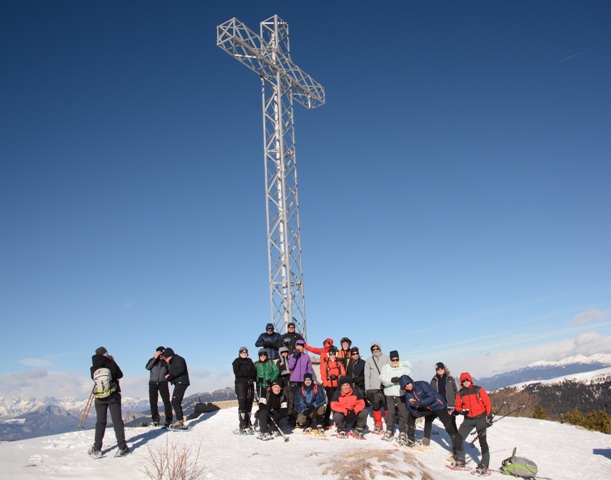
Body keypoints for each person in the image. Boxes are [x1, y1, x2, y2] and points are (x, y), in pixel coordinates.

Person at [400, 375, 464, 457]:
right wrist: (413, 412)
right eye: (404, 386)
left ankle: (457, 446)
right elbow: (409, 405)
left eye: (408, 383)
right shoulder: (408, 393)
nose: (407, 386)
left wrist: (420, 402)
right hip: (428, 408)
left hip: (439, 405)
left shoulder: (422, 384)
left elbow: (432, 397)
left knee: (447, 424)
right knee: (412, 416)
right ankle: (411, 440)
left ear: (411, 381)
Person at [89, 347, 129, 458]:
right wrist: (113, 362)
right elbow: (120, 375)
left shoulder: (93, 368)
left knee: (100, 422)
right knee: (117, 421)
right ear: (106, 354)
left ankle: (97, 448)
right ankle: (122, 447)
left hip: (100, 397)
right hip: (113, 396)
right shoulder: (110, 364)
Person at [453, 372, 493, 476]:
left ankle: (484, 464)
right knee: (458, 438)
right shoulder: (460, 393)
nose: (466, 382)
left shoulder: (478, 389)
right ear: (461, 382)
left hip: (480, 418)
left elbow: (487, 403)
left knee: (482, 441)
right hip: (468, 419)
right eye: (463, 381)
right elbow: (457, 407)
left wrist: (489, 417)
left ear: (470, 380)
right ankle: (461, 459)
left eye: (467, 380)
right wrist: (461, 411)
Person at [379, 350, 412, 443]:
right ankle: (390, 429)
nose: (395, 361)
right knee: (391, 413)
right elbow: (382, 378)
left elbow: (410, 377)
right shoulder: (385, 368)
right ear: (390, 359)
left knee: (402, 412)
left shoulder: (404, 368)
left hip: (400, 393)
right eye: (393, 360)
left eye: (396, 359)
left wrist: (404, 382)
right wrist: (391, 380)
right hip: (389, 393)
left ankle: (402, 430)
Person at [425, 362, 459, 446]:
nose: (440, 370)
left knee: (451, 424)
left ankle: (457, 443)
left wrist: (456, 404)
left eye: (441, 368)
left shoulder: (450, 378)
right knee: (428, 420)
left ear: (444, 369)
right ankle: (426, 438)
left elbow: (457, 391)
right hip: (436, 406)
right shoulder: (433, 380)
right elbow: (430, 393)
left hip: (449, 405)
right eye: (438, 369)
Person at [364, 341, 389, 434]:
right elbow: (367, 375)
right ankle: (378, 423)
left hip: (385, 386)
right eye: (373, 349)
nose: (375, 350)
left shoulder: (386, 358)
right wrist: (367, 388)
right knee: (375, 405)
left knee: (387, 404)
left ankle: (388, 420)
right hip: (373, 387)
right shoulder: (369, 360)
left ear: (380, 348)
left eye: (377, 348)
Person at [162, 347, 190, 430]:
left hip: (182, 382)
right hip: (179, 382)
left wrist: (171, 376)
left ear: (169, 356)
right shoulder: (172, 361)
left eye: (166, 358)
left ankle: (180, 421)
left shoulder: (179, 360)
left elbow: (180, 370)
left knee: (175, 401)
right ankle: (179, 420)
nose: (165, 360)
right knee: (175, 401)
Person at [145, 346, 172, 427]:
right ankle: (155, 420)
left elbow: (170, 370)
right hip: (153, 383)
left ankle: (168, 419)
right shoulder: (152, 361)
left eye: (162, 354)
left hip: (163, 383)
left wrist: (166, 361)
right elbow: (147, 367)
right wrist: (155, 358)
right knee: (153, 402)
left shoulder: (165, 362)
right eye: (160, 354)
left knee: (166, 401)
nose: (161, 356)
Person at [320, 346, 346, 428]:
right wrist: (326, 384)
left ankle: (338, 419)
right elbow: (323, 375)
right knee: (330, 403)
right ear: (328, 355)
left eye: (334, 354)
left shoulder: (339, 363)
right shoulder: (325, 364)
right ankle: (326, 419)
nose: (332, 356)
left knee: (338, 402)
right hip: (329, 386)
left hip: (337, 386)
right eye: (330, 354)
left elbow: (343, 373)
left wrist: (338, 378)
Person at [287, 339, 313, 423]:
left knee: (303, 399)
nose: (300, 348)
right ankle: (293, 417)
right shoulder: (292, 355)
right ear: (295, 346)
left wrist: (309, 378)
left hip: (303, 380)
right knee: (294, 398)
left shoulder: (306, 357)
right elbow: (290, 366)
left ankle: (302, 416)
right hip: (294, 379)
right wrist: (295, 356)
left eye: (302, 346)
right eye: (298, 346)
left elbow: (309, 368)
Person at [232, 346, 256, 434]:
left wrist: (247, 374)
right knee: (242, 403)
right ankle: (242, 424)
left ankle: (248, 421)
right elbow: (237, 373)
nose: (244, 354)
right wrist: (246, 373)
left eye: (245, 353)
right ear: (239, 353)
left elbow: (253, 372)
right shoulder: (236, 361)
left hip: (249, 383)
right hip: (240, 384)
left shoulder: (250, 361)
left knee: (249, 403)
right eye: (242, 353)